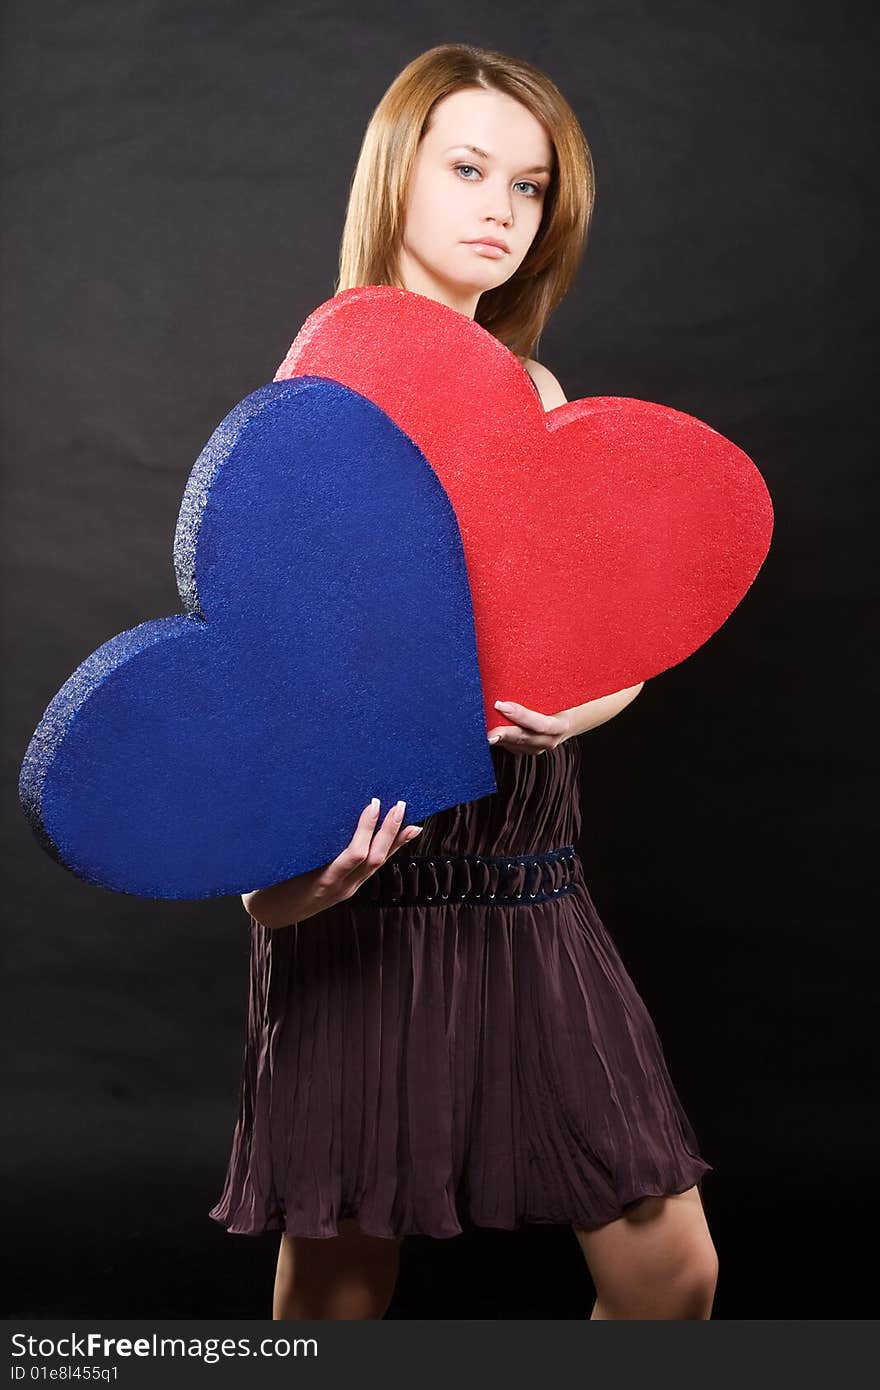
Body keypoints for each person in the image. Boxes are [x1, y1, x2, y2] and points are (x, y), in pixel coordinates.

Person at [209, 43, 719, 1321]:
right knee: (337, 1284)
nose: (503, 207)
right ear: (397, 180)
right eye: (470, 168)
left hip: (531, 888)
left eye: (532, 186)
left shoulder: (540, 397)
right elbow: (260, 681)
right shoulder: (314, 399)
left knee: (670, 1276)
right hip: (367, 897)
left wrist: (582, 707)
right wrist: (274, 889)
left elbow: (609, 641)